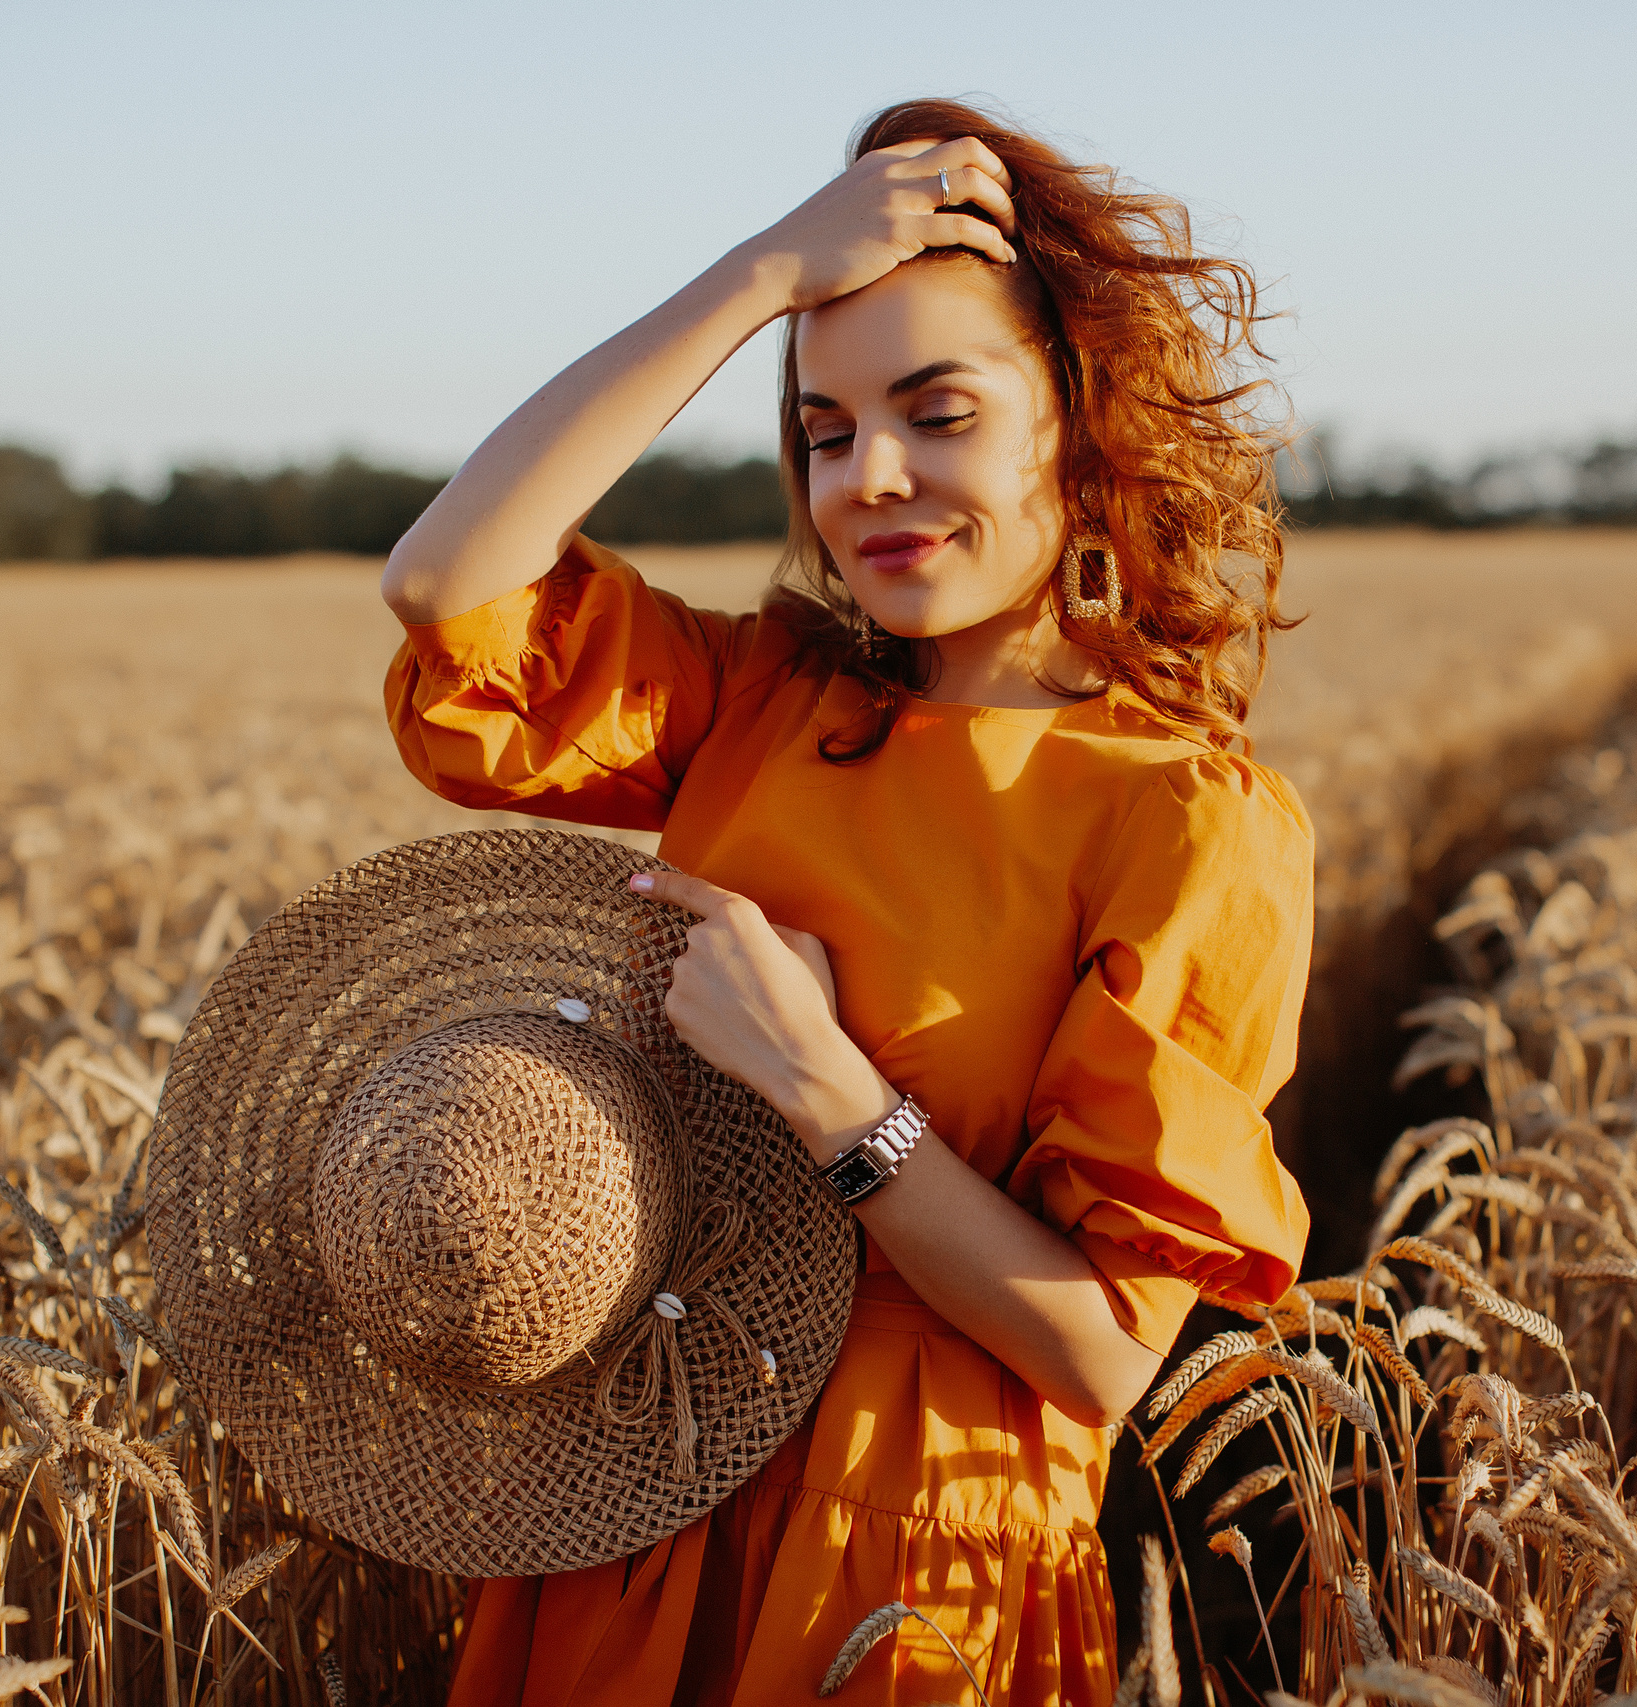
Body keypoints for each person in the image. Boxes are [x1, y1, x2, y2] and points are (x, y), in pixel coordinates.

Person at [379, 96, 1314, 1707]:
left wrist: (826, 1088)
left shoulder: (1180, 820)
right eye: (823, 431)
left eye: (938, 413)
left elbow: (1101, 1347)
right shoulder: (765, 699)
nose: (871, 477)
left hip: (908, 1574)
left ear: (1085, 427)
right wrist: (756, 276)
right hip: (637, 1495)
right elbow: (447, 587)